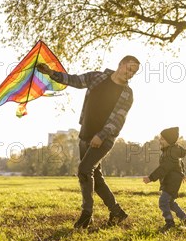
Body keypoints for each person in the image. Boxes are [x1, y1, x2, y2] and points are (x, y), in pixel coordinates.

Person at [37, 56, 140, 228]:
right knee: (96, 178)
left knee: (84, 170)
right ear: (120, 64)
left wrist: (101, 135)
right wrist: (50, 73)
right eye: (129, 68)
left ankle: (86, 215)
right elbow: (75, 80)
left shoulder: (127, 94)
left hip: (104, 138)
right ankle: (117, 212)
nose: (130, 73)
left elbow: (118, 120)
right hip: (85, 135)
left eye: (134, 72)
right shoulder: (97, 77)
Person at [143, 127, 186, 231]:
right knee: (170, 203)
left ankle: (169, 222)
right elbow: (179, 163)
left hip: (172, 181)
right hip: (171, 180)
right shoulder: (170, 151)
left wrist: (150, 177)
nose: (159, 141)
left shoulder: (171, 152)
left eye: (162, 139)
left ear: (169, 141)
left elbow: (164, 168)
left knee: (163, 201)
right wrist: (182, 172)